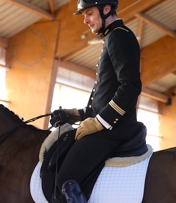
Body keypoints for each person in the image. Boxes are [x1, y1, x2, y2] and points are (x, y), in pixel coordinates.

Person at [49, 0, 142, 202]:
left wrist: (100, 122)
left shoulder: (118, 36)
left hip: (113, 129)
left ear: (106, 9)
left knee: (65, 177)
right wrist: (76, 114)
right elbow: (104, 96)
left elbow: (131, 86)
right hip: (108, 126)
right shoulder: (112, 37)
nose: (85, 20)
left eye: (89, 13)